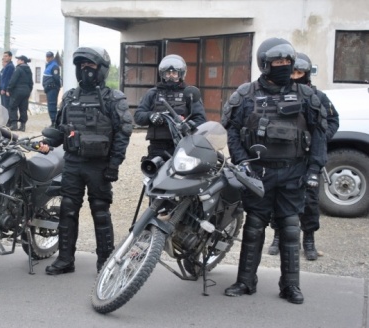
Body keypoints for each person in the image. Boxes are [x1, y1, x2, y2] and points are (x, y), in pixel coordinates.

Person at [221, 37, 327, 304]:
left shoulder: (307, 95)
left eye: (286, 62)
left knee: (291, 228)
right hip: (258, 172)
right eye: (277, 62)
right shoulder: (246, 94)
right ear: (264, 64)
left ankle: (290, 286)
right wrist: (242, 161)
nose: (283, 66)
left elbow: (320, 134)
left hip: (293, 172)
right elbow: (232, 130)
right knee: (254, 227)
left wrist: (314, 169)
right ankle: (245, 281)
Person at [37, 46, 133, 275]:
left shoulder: (113, 98)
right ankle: (65, 260)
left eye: (91, 66)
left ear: (101, 70)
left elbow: (123, 132)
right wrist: (48, 144)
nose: (86, 70)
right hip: (72, 162)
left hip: (99, 165)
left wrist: (114, 164)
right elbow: (60, 129)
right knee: (67, 210)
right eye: (82, 66)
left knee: (100, 211)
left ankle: (105, 263)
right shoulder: (70, 97)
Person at [267, 52, 340, 260]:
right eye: (293, 71)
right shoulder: (278, 93)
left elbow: (333, 121)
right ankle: (278, 236)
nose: (295, 75)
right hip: (285, 155)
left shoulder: (316, 96)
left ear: (306, 74)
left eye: (299, 72)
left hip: (308, 158)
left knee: (310, 201)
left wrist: (318, 138)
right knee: (278, 198)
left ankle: (309, 240)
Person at [133, 54, 207, 161]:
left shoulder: (189, 93)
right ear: (162, 74)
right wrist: (151, 116)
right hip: (157, 147)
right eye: (168, 73)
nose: (171, 76)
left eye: (174, 73)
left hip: (182, 144)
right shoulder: (152, 93)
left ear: (181, 74)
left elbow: (201, 120)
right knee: (152, 175)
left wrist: (188, 125)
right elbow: (138, 116)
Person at [6, 55, 34, 132]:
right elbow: (31, 83)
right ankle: (23, 126)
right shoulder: (29, 70)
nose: (17, 61)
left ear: (22, 61)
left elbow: (13, 80)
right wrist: (29, 91)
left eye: (18, 59)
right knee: (23, 108)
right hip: (26, 91)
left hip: (17, 91)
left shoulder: (18, 69)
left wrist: (9, 89)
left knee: (12, 107)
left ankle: (14, 124)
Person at [43, 51, 62, 127]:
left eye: (49, 57)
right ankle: (53, 121)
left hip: (52, 88)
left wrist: (56, 86)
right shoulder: (49, 65)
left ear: (52, 57)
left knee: (52, 105)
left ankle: (54, 122)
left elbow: (56, 78)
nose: (47, 58)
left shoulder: (54, 66)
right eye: (47, 57)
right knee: (50, 105)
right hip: (49, 88)